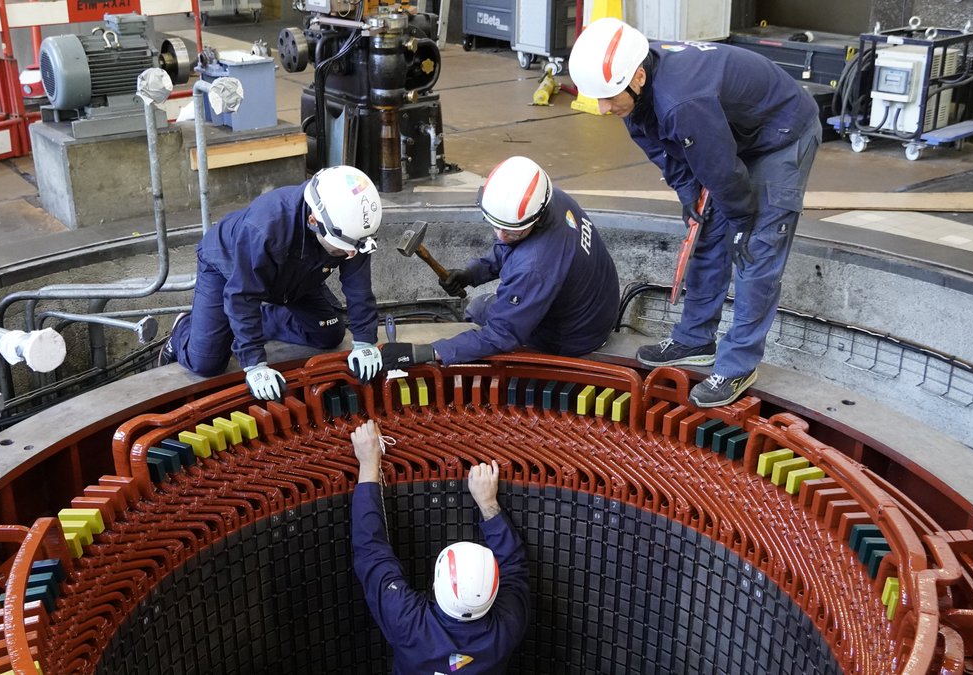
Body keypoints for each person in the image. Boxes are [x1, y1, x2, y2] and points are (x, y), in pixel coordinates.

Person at [567, 18, 822, 407]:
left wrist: (743, 222)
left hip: (781, 135)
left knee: (756, 250)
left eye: (609, 98)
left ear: (638, 78)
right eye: (596, 98)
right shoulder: (634, 83)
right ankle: (695, 338)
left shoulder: (682, 100)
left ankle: (737, 365)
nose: (603, 109)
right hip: (732, 133)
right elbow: (662, 149)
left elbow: (721, 171)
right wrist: (689, 196)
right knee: (706, 232)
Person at [158, 165, 386, 399]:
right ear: (313, 220)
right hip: (227, 269)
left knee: (329, 335)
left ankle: (252, 322)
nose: (350, 255)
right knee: (207, 363)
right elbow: (242, 295)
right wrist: (254, 364)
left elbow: (358, 287)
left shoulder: (351, 230)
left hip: (296, 276)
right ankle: (183, 328)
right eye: (340, 250)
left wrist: (365, 341)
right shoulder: (264, 227)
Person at [378, 156, 620, 370]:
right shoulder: (549, 199)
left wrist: (425, 352)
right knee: (487, 303)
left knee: (477, 309)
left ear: (535, 219)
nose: (501, 236)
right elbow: (511, 244)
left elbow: (501, 335)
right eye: (496, 225)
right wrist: (471, 273)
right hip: (599, 307)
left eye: (511, 231)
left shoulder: (534, 268)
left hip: (575, 337)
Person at [349, 420, 529, 674]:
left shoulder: (409, 624)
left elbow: (370, 551)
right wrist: (488, 503)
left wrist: (368, 463)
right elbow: (515, 567)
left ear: (435, 585)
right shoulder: (506, 629)